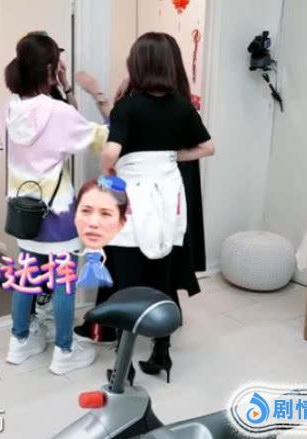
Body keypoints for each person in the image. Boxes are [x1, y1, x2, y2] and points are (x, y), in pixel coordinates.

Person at [82, 32, 216, 383]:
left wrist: (110, 170)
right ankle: (161, 352)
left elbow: (111, 153)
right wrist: (171, 157)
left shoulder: (129, 106)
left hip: (134, 199)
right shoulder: (182, 105)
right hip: (169, 198)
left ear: (137, 64)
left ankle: (124, 367)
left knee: (126, 279)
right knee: (162, 273)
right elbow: (208, 147)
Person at [0, 32, 108, 375]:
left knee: (26, 276)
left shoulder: (10, 108)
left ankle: (19, 342)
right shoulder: (58, 112)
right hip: (56, 213)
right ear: (50, 69)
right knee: (63, 281)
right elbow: (98, 138)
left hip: (23, 212)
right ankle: (64, 351)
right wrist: (79, 92)